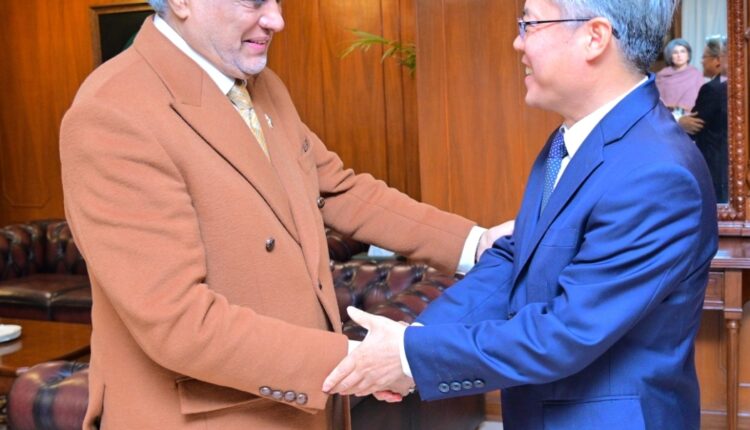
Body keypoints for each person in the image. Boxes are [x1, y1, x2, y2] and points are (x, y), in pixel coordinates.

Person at [58, 0, 512, 429]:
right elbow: (179, 322)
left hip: (297, 406)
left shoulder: (262, 85)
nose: (276, 20)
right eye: (253, 1)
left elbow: (337, 189)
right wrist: (359, 363)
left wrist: (476, 242)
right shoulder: (114, 111)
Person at [323, 1, 718, 429]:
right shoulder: (573, 138)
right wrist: (414, 340)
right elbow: (518, 260)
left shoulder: (656, 172)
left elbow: (567, 333)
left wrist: (408, 359)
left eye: (530, 24)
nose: (518, 42)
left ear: (594, 37)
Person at [680, 35, 728, 201]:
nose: (701, 61)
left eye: (704, 56)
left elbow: (693, 126)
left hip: (715, 165)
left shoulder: (712, 89)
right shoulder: (735, 84)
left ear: (717, 60)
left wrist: (679, 123)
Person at [655, 38, 705, 114]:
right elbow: (655, 98)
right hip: (665, 115)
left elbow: (702, 99)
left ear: (688, 55)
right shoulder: (661, 76)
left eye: (682, 51)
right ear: (670, 56)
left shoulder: (696, 75)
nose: (679, 55)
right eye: (675, 52)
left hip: (690, 116)